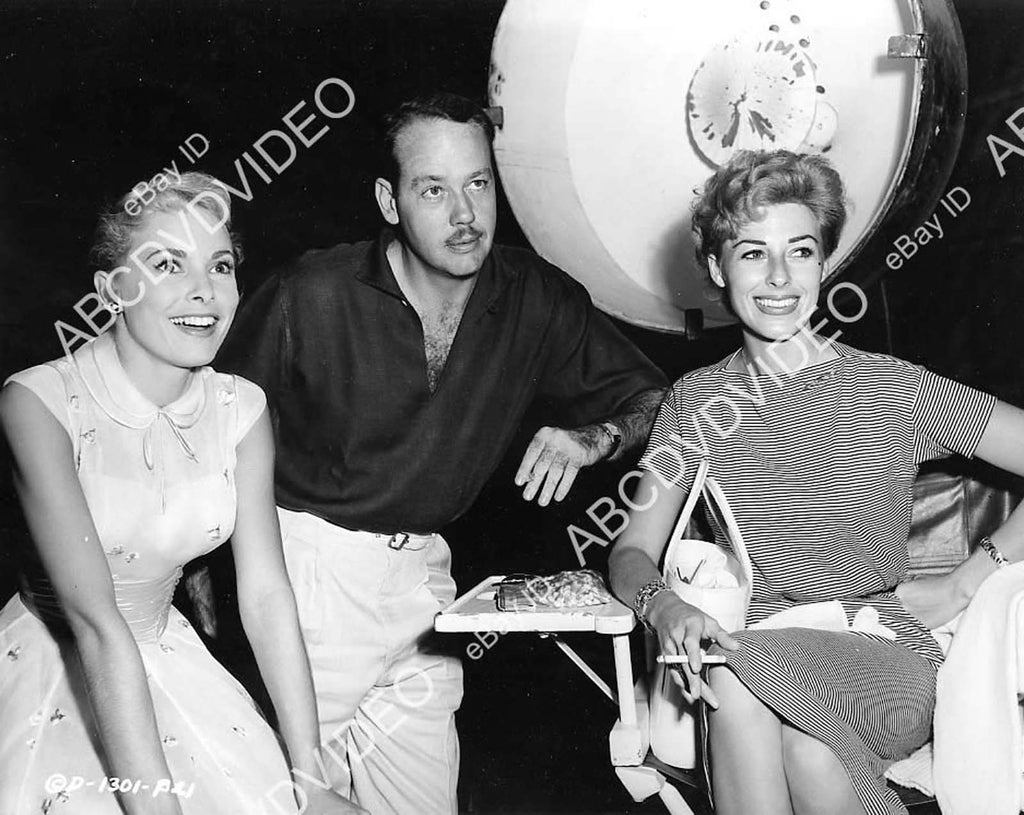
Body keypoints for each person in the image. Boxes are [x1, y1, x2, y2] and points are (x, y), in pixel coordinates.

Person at [217, 91, 667, 814]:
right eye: (434, 188)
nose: (465, 214)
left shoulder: (533, 297)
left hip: (426, 584)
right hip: (308, 576)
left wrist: (593, 437)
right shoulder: (312, 293)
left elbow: (658, 400)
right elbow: (210, 426)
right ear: (389, 201)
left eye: (478, 183)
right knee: (290, 802)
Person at [609, 149, 1024, 815]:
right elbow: (629, 552)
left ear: (823, 263)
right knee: (809, 753)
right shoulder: (694, 403)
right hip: (753, 655)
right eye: (752, 254)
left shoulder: (893, 389)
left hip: (880, 652)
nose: (779, 276)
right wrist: (666, 606)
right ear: (717, 268)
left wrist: (966, 579)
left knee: (733, 671)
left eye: (800, 251)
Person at [0, 173, 364, 815]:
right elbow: (96, 624)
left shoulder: (241, 407)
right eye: (167, 264)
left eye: (219, 265)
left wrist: (310, 776)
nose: (204, 290)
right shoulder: (37, 403)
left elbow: (266, 593)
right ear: (113, 290)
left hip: (171, 660)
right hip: (65, 669)